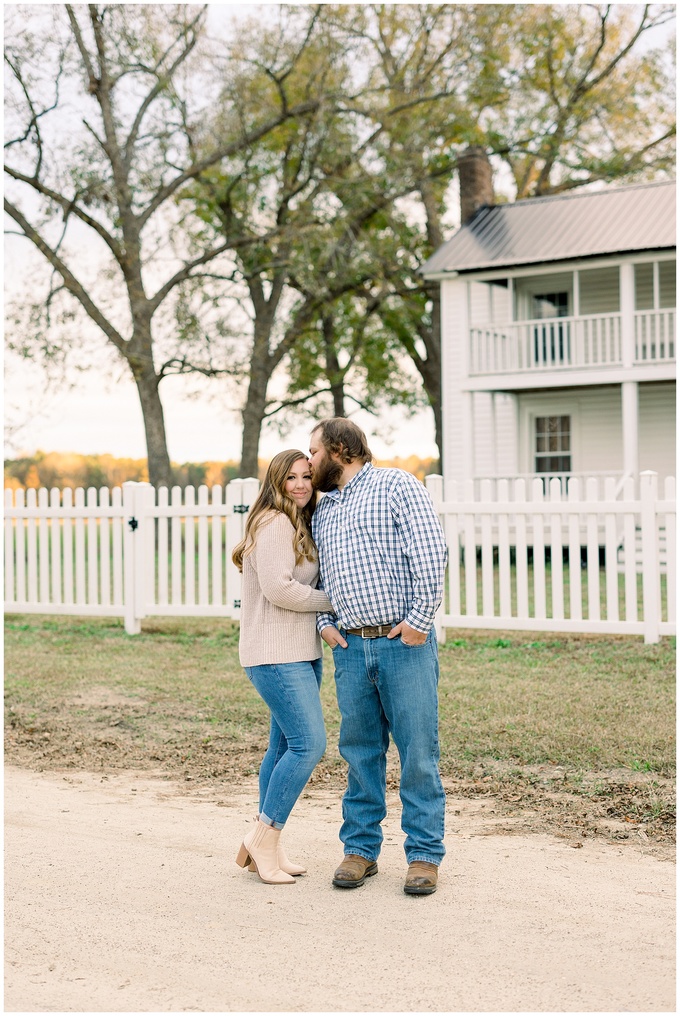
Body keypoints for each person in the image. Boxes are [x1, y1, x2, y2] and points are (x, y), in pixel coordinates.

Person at [309, 417, 448, 896]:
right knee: (360, 752)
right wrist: (324, 625)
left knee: (417, 753)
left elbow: (431, 554)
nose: (309, 463)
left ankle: (424, 856)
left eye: (314, 452)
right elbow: (318, 578)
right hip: (350, 647)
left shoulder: (395, 486)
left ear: (340, 448)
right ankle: (361, 850)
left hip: (401, 644)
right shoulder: (323, 510)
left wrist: (419, 622)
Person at [232, 449, 333, 885]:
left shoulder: (298, 523)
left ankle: (266, 848)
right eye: (290, 477)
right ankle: (263, 836)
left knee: (280, 749)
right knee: (309, 745)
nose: (300, 484)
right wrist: (337, 602)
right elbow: (280, 590)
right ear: (275, 481)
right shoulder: (273, 522)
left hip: (299, 651)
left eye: (306, 476)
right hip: (275, 655)